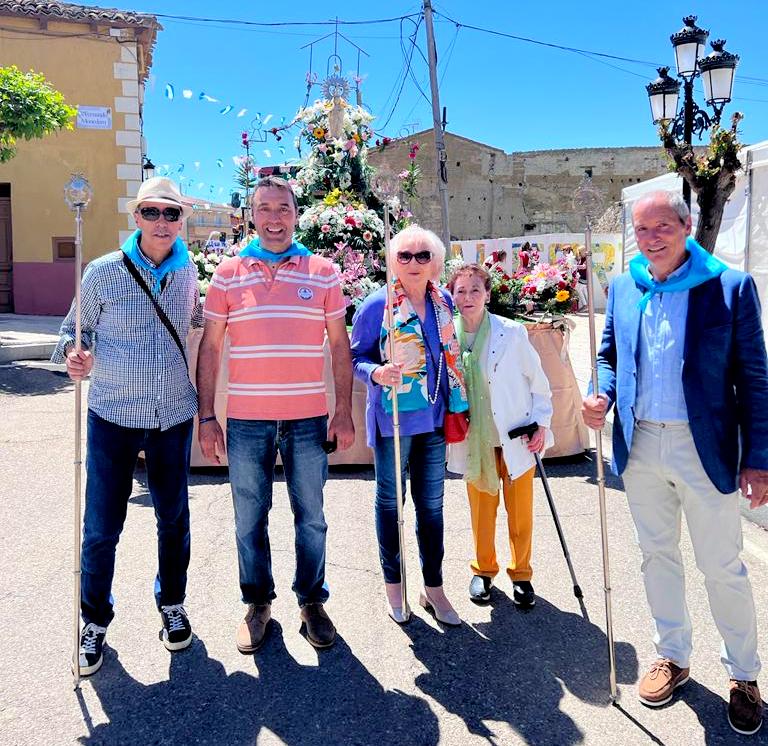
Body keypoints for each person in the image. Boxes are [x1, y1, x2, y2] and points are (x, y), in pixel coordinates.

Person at [582, 190, 768, 735]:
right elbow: (610, 355)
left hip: (703, 445)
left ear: (686, 227)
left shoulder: (728, 287)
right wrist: (601, 394)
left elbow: (755, 379)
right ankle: (673, 655)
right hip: (639, 444)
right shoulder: (624, 285)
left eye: (663, 225)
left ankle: (744, 675)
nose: (652, 237)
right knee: (656, 555)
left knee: (722, 566)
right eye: (642, 229)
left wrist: (758, 459)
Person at [196, 176, 354, 653]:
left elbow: (340, 348)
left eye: (282, 207)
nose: (273, 217)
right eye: (264, 208)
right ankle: (258, 603)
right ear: (251, 215)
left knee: (312, 518)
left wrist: (342, 411)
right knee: (249, 517)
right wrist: (208, 417)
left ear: (296, 213)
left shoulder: (323, 272)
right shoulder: (227, 274)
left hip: (308, 419)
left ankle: (311, 603)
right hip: (247, 420)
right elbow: (211, 348)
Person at [52, 177, 202, 675]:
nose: (162, 222)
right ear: (135, 217)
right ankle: (93, 620)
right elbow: (74, 331)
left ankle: (172, 605)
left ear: (182, 220)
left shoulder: (189, 273)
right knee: (101, 527)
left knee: (174, 520)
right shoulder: (102, 272)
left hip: (173, 417)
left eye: (171, 213)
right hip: (113, 417)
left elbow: (196, 325)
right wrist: (76, 357)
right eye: (152, 212)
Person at [351, 225, 468, 626]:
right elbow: (356, 358)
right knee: (391, 504)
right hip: (394, 422)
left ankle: (433, 588)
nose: (414, 263)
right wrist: (376, 372)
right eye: (405, 256)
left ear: (435, 261)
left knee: (431, 507)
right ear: (392, 261)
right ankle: (394, 585)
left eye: (422, 256)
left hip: (434, 419)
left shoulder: (444, 301)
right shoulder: (376, 306)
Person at [446, 264, 553, 608]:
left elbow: (539, 384)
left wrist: (541, 422)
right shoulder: (449, 335)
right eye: (460, 291)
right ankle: (483, 570)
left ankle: (522, 574)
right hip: (475, 439)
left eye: (475, 290)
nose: (467, 298)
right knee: (481, 511)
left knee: (520, 512)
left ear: (488, 294)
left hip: (516, 436)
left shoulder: (512, 333)